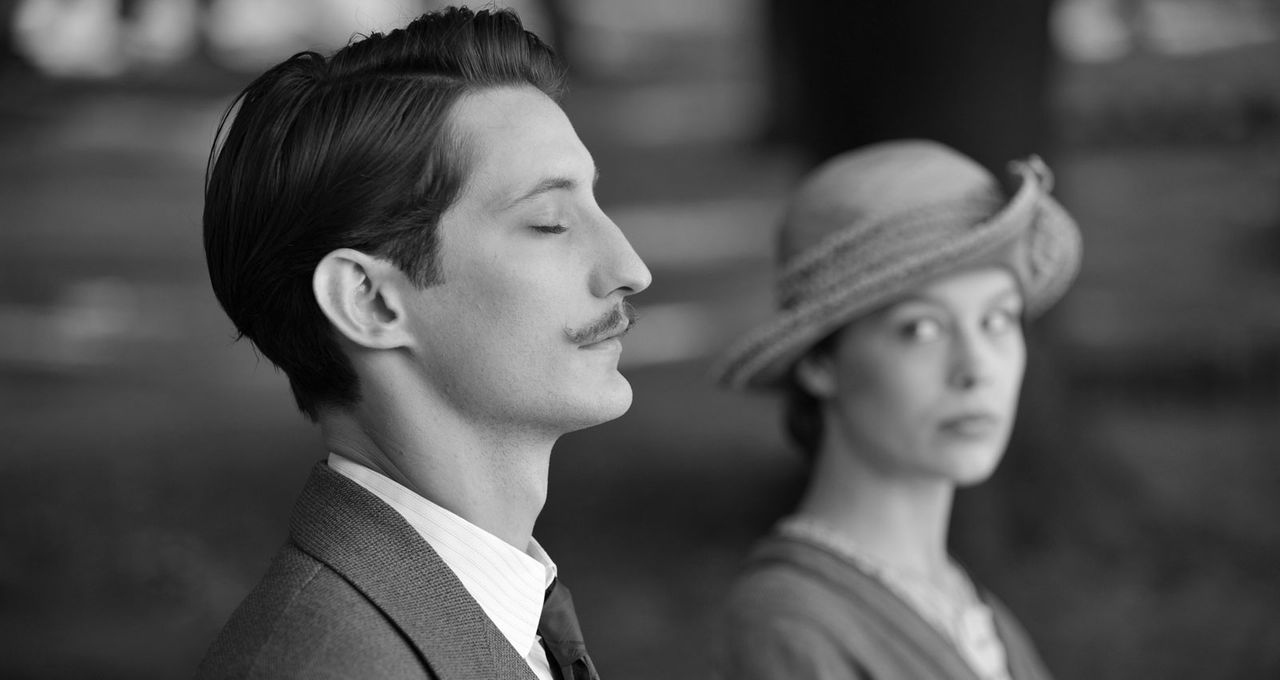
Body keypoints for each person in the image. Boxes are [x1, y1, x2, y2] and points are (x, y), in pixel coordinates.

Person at [196, 7, 651, 679]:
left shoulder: (504, 612)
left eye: (594, 203)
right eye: (550, 222)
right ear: (370, 301)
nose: (631, 269)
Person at [713, 139, 1082, 680]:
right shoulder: (792, 629)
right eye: (922, 329)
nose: (976, 368)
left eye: (998, 320)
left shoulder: (975, 611)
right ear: (820, 362)